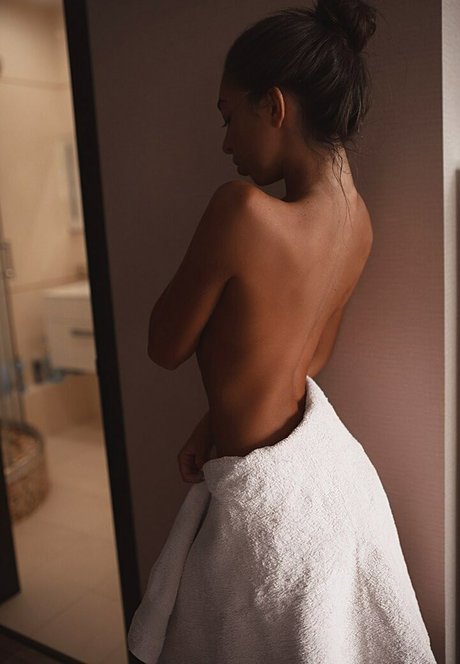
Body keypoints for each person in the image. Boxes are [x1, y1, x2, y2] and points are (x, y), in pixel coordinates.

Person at [128, 2, 437, 662]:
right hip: (325, 477)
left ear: (273, 106)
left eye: (228, 116)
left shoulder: (240, 211)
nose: (225, 144)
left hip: (269, 491)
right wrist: (215, 418)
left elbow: (163, 346)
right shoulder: (359, 224)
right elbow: (305, 357)